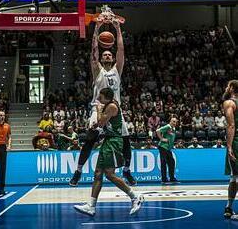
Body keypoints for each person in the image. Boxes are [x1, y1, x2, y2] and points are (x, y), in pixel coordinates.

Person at [69, 13, 136, 187]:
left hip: (115, 110)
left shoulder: (117, 70)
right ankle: (78, 171)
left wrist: (117, 28)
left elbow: (121, 50)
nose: (106, 55)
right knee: (90, 139)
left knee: (127, 141)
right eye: (104, 54)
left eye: (109, 54)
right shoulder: (97, 70)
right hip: (97, 108)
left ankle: (127, 171)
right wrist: (97, 28)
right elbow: (94, 51)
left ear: (112, 58)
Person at [74, 88, 144, 216]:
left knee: (109, 174)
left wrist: (98, 109)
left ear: (106, 97)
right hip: (108, 140)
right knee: (97, 173)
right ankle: (91, 206)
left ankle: (135, 197)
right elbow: (100, 125)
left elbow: (101, 123)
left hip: (114, 142)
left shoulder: (111, 106)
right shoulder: (108, 104)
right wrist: (93, 126)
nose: (99, 98)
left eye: (100, 96)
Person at [223, 80, 238, 220]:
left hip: (236, 142)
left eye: (228, 86)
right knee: (234, 177)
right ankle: (228, 207)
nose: (226, 88)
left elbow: (231, 126)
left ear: (232, 88)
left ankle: (230, 207)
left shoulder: (229, 103)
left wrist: (229, 146)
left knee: (235, 176)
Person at [156, 117, 179, 184]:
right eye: (173, 121)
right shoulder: (168, 126)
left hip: (168, 148)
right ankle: (164, 180)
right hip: (163, 147)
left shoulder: (173, 128)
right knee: (163, 163)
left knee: (172, 162)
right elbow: (158, 131)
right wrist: (162, 139)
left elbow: (170, 137)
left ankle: (172, 178)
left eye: (175, 122)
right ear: (170, 122)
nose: (175, 123)